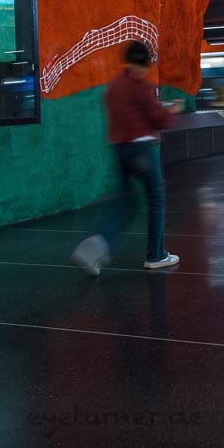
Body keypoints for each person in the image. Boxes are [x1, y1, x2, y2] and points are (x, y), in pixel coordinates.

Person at [71, 40, 183, 275]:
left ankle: (97, 244)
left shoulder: (113, 86)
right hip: (140, 150)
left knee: (125, 202)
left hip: (119, 149)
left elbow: (131, 112)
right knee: (156, 200)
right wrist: (171, 111)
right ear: (145, 63)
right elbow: (158, 120)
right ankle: (156, 254)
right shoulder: (140, 85)